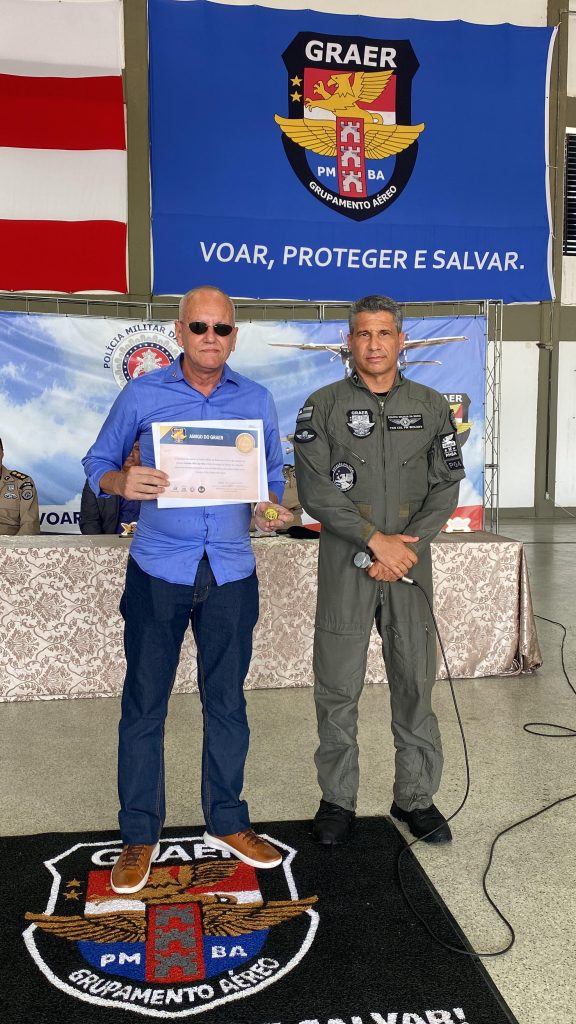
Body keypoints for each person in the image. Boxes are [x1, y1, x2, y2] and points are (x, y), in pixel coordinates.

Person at [83, 286, 293, 894]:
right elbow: (96, 463)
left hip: (230, 571)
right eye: (199, 327)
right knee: (144, 704)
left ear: (234, 336)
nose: (210, 337)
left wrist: (269, 508)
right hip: (158, 569)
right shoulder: (143, 394)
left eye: (221, 328)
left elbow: (271, 479)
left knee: (227, 702)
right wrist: (123, 480)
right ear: (179, 332)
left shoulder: (256, 399)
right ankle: (138, 834)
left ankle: (227, 820)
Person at [293, 295, 465, 846]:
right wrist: (374, 541)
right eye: (363, 334)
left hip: (410, 565)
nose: (374, 344)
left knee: (414, 681)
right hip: (347, 563)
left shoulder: (431, 406)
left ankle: (415, 798)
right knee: (337, 686)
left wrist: (403, 550)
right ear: (349, 342)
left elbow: (446, 485)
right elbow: (316, 490)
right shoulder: (322, 406)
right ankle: (337, 800)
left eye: (384, 333)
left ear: (401, 340)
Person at [79, 443, 141, 535]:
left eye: (136, 449)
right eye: (126, 447)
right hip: (108, 542)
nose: (130, 453)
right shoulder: (97, 480)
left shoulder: (156, 480)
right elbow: (89, 523)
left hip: (147, 542)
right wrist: (104, 544)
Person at [0, 436, 40, 535]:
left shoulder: (23, 482)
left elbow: (30, 525)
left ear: (2, 453)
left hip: (10, 542)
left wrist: (15, 545)